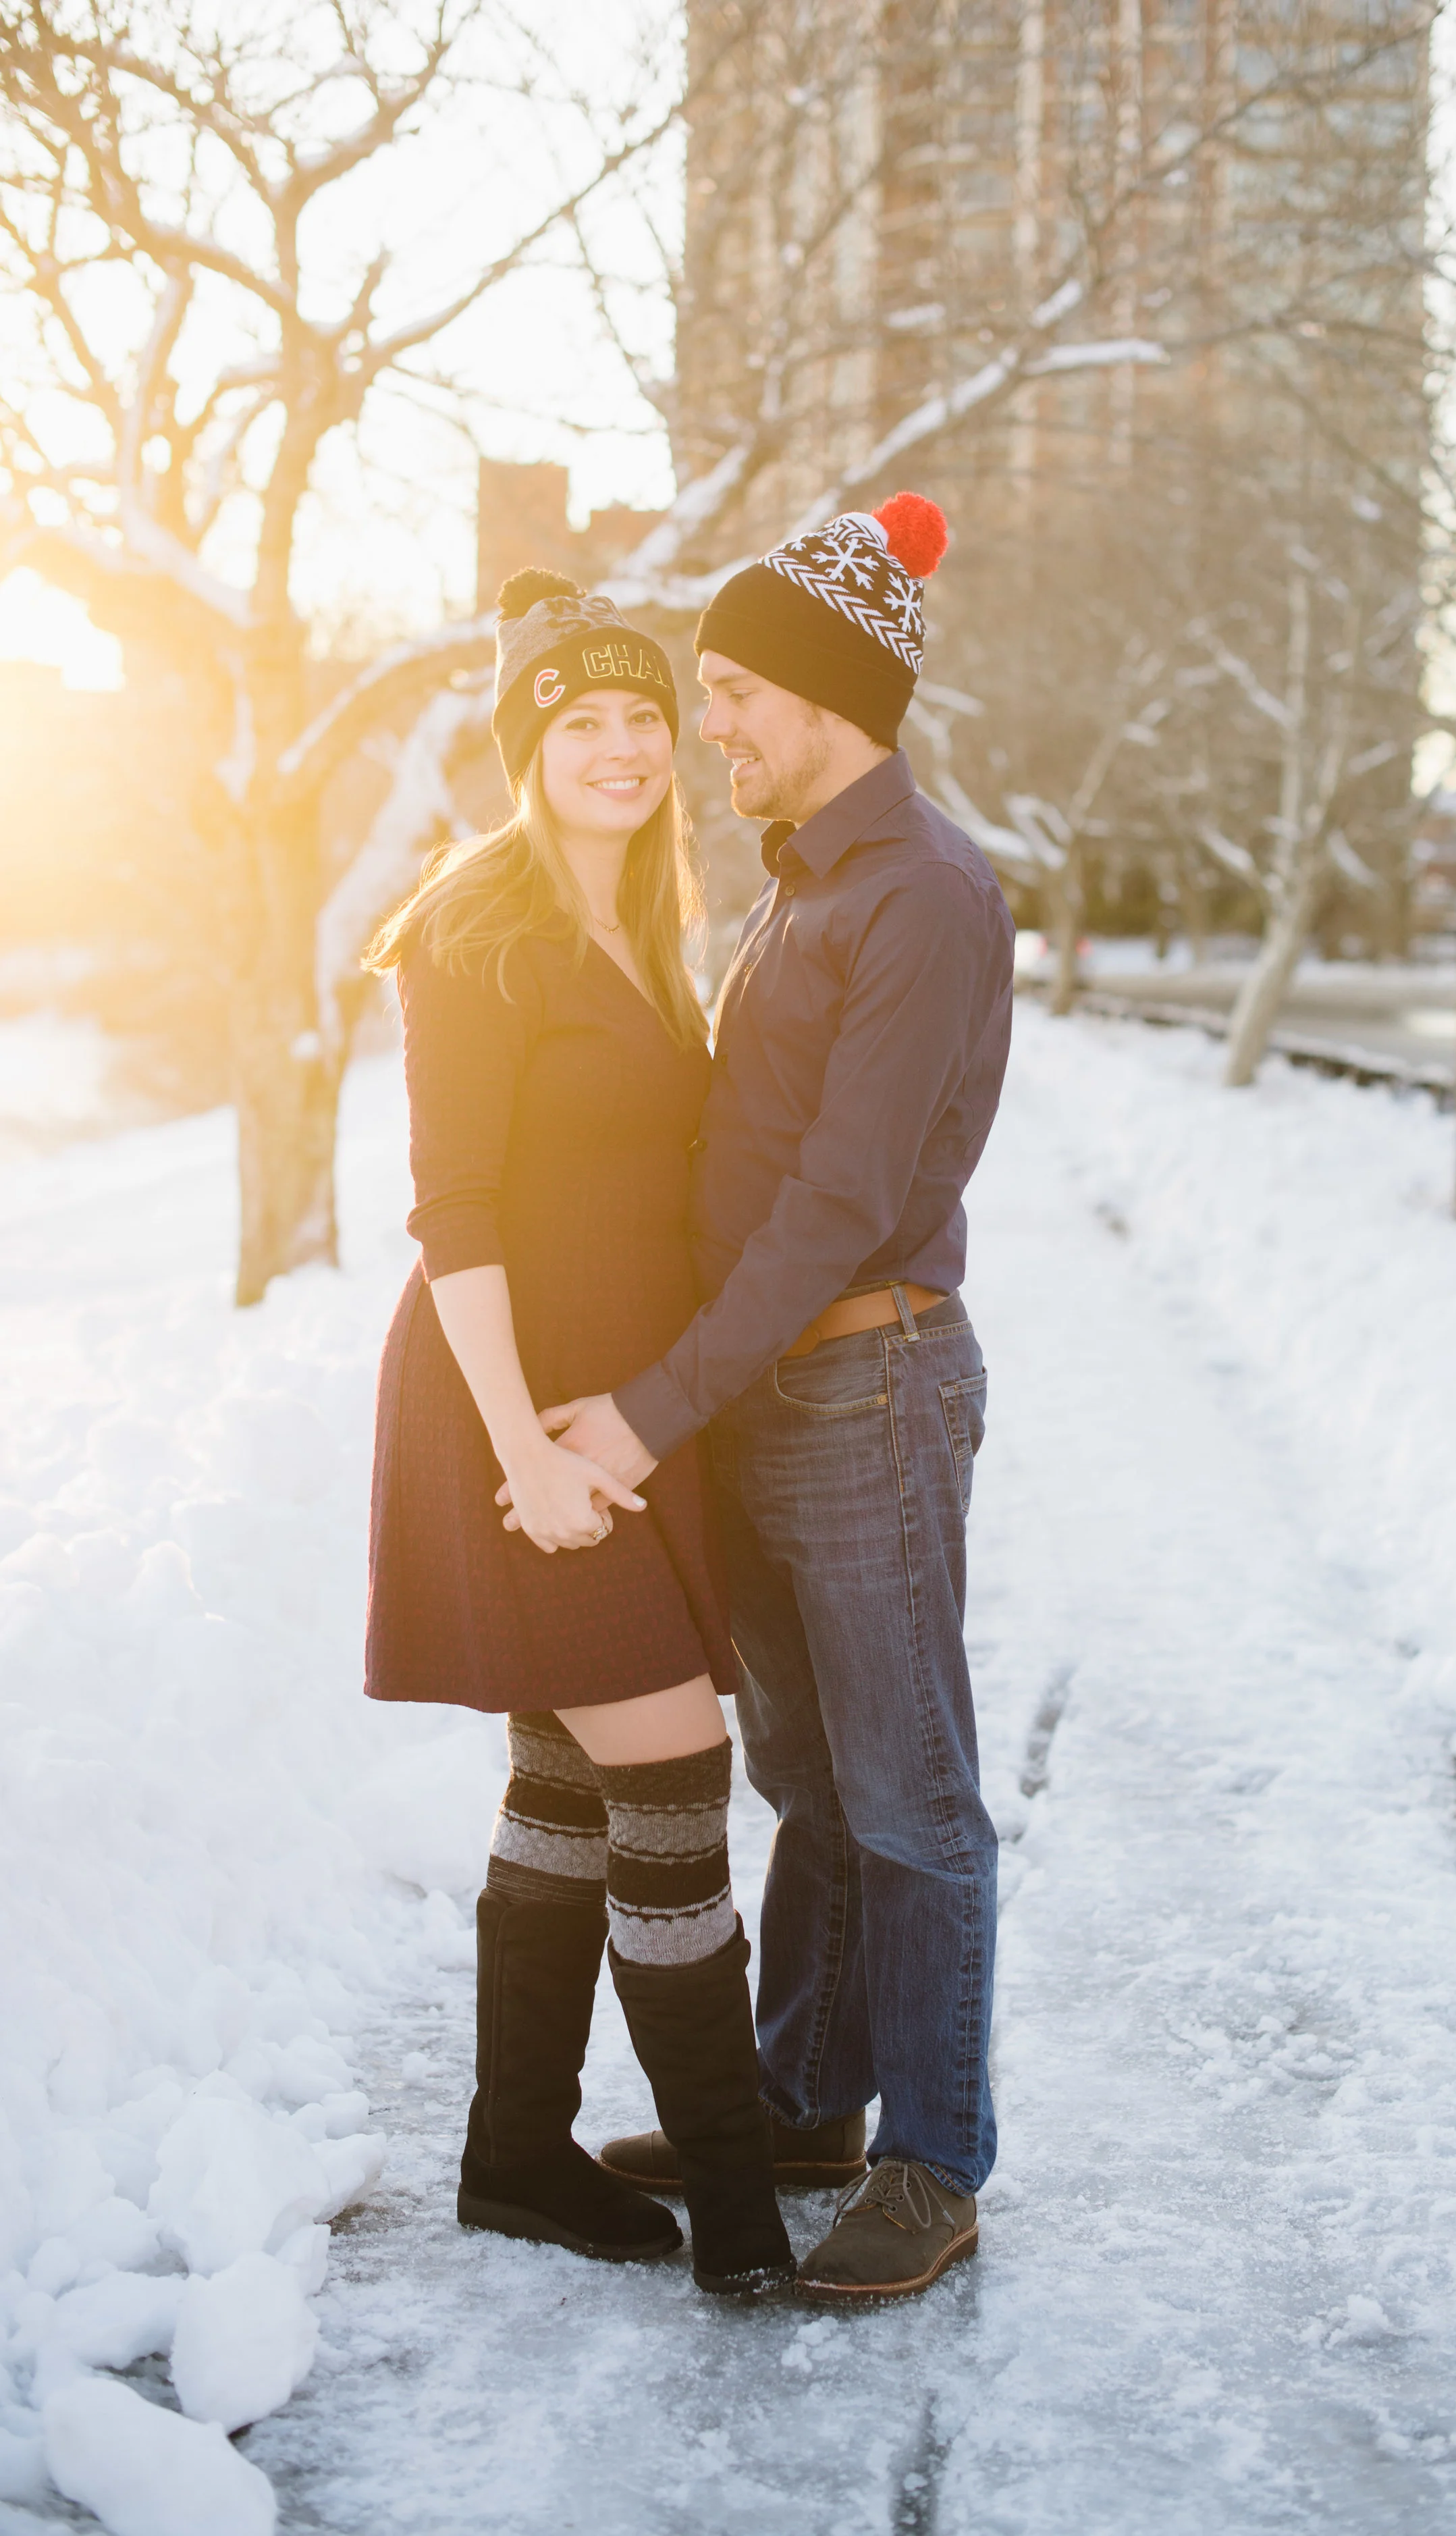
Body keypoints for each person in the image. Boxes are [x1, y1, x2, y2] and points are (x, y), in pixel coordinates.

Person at [553, 494, 1017, 2302]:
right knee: (810, 1780)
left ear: (828, 693)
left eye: (733, 688)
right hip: (766, 1403)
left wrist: (655, 1402)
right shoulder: (803, 887)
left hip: (868, 1391)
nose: (712, 726)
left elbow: (832, 1201)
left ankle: (932, 2154)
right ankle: (807, 2099)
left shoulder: (924, 895)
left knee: (910, 1798)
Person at [360, 571, 794, 2300]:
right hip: (508, 1409)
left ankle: (515, 2154)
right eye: (578, 723)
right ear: (524, 750)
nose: (618, 749)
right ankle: (741, 2215)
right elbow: (452, 1217)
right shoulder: (478, 924)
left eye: (640, 719)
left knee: (568, 1777)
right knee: (672, 1775)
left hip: (621, 1417)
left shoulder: (654, 920)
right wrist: (524, 1456)